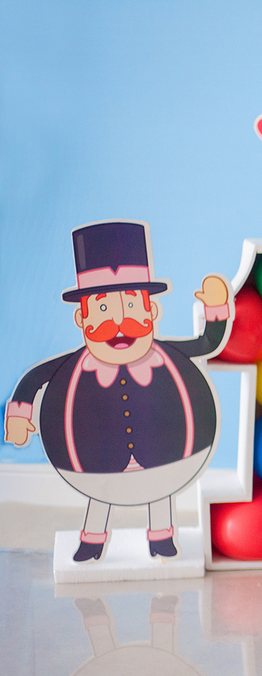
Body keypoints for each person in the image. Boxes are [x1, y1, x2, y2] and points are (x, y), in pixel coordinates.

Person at [5, 220, 230, 562]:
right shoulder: (72, 368)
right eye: (103, 308)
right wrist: (19, 415)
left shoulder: (168, 357)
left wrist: (216, 307)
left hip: (165, 454)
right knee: (100, 493)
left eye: (131, 306)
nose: (119, 322)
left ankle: (161, 538)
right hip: (95, 460)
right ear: (82, 320)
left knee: (161, 490)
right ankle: (93, 541)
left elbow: (207, 342)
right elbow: (36, 376)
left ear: (151, 312)